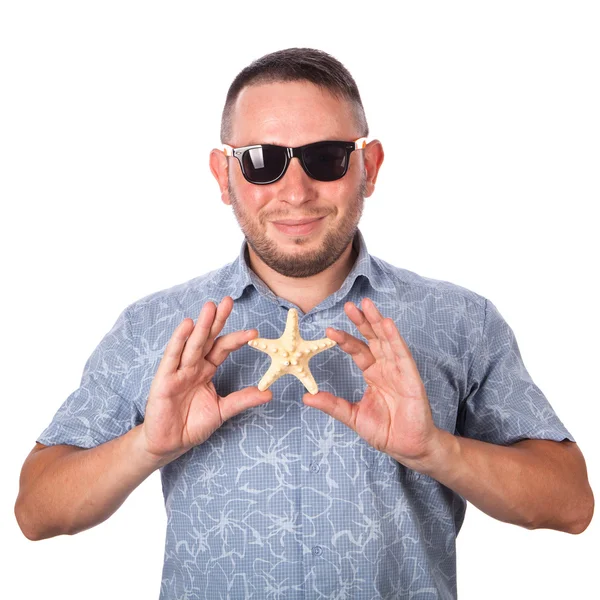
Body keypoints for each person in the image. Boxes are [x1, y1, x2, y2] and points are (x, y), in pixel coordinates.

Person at [15, 47, 593, 600]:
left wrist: (436, 452)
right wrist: (146, 446)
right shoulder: (160, 327)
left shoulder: (460, 320)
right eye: (262, 162)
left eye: (326, 157)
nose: (295, 191)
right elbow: (36, 511)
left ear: (369, 166)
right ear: (224, 175)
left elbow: (570, 503)